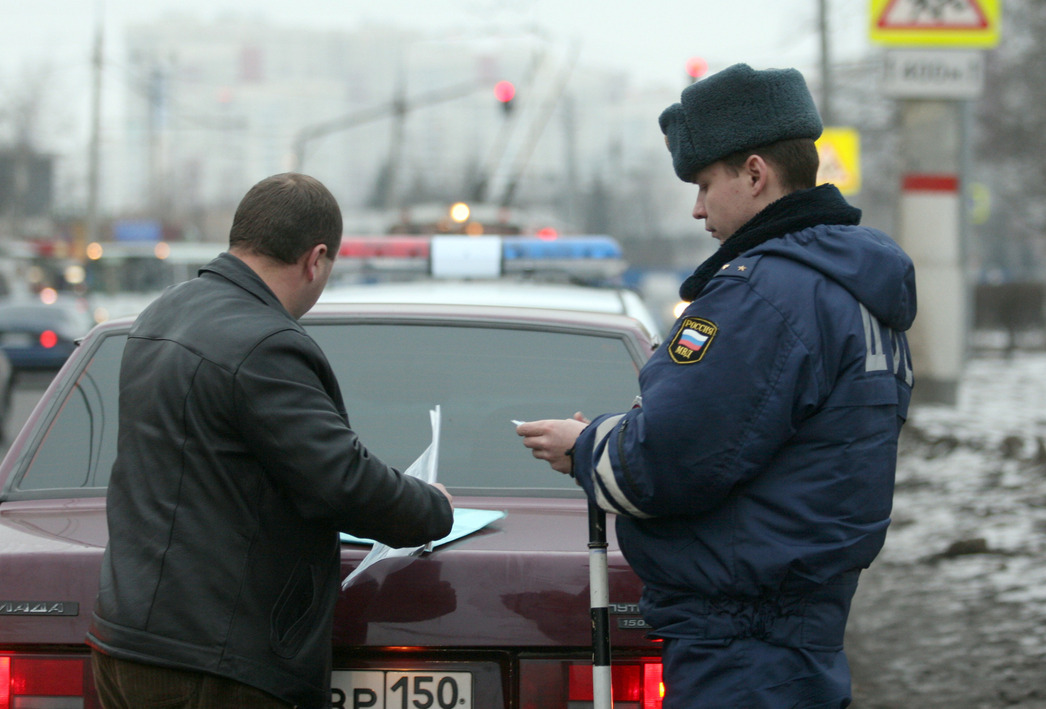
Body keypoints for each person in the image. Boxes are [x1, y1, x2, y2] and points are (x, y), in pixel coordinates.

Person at [518, 63, 916, 708]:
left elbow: (665, 460)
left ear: (755, 174)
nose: (698, 208)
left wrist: (586, 446)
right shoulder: (854, 288)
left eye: (705, 184)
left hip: (739, 643)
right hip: (800, 629)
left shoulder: (763, 294)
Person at [86, 173, 454, 709]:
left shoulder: (163, 313)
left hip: (127, 640)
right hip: (219, 665)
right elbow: (341, 482)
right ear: (316, 258)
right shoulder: (265, 344)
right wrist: (433, 508)